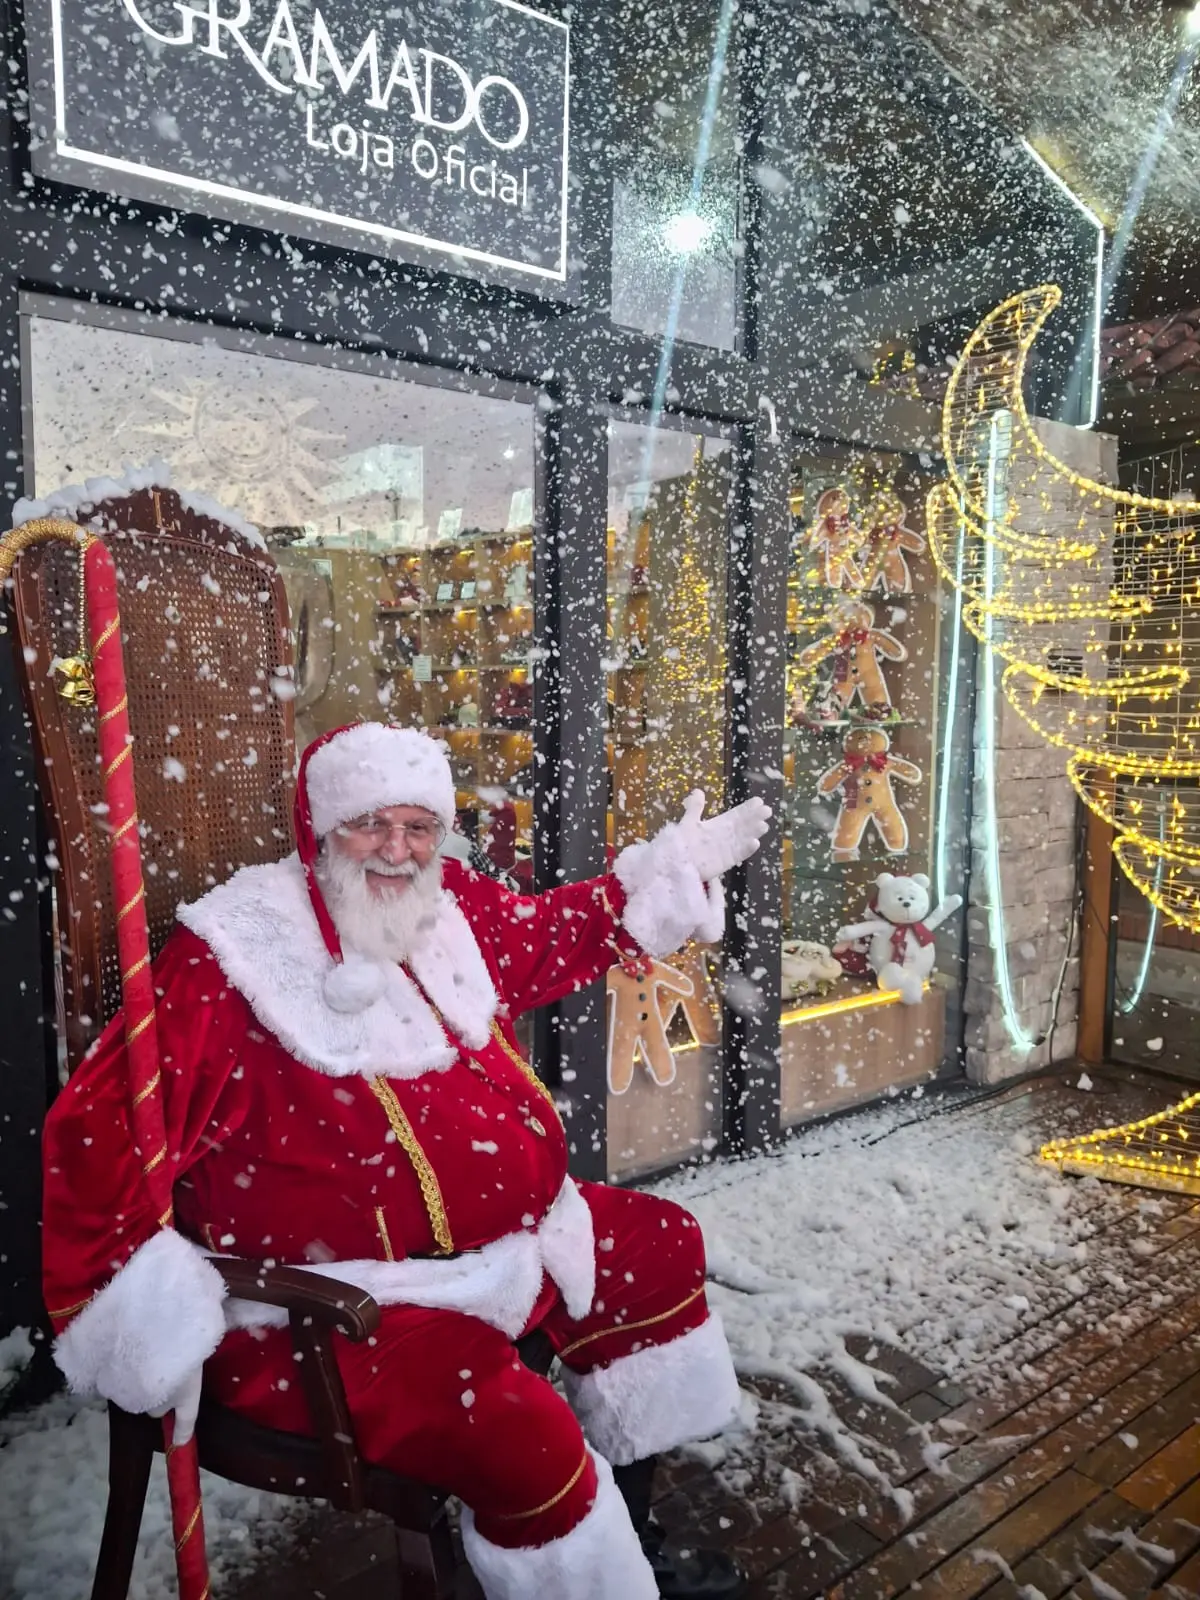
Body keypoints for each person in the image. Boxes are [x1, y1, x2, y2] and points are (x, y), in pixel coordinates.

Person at [42, 722, 771, 1600]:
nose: (397, 850)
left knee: (658, 1244)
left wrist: (648, 892)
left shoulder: (443, 905)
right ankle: (579, 1575)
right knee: (516, 1434)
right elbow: (97, 1132)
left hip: (508, 1251)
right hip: (344, 1313)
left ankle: (627, 1534)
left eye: (419, 827)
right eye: (371, 824)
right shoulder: (231, 956)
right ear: (322, 828)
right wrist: (135, 1300)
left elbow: (538, 937)